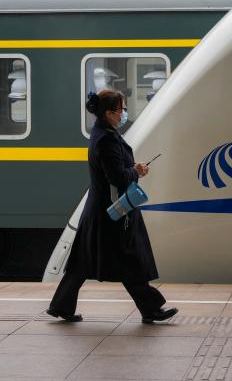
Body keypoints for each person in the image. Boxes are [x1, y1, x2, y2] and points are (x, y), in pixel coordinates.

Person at [47, 89, 178, 324]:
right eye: (121, 109)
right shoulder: (107, 139)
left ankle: (61, 306)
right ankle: (151, 309)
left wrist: (132, 169)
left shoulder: (102, 133)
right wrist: (136, 171)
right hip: (113, 212)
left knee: (84, 261)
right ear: (109, 113)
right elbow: (117, 177)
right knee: (130, 259)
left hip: (99, 211)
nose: (124, 113)